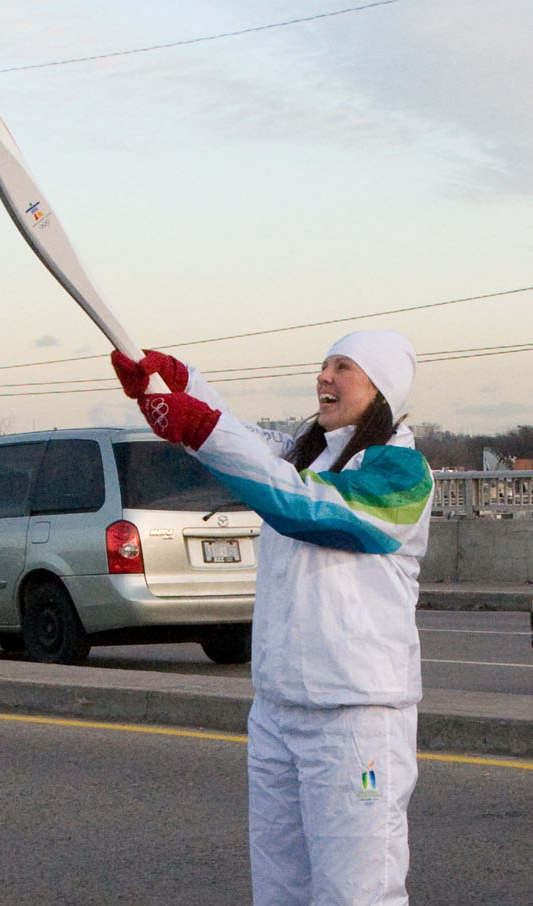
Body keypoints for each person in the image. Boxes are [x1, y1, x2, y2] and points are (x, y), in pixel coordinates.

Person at [111, 329, 434, 906]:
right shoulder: (304, 453)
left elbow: (301, 505)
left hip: (355, 718)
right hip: (279, 714)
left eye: (343, 367)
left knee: (354, 894)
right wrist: (173, 380)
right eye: (325, 365)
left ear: (381, 389)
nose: (324, 377)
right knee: (280, 890)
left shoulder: (400, 476)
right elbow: (243, 440)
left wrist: (199, 430)